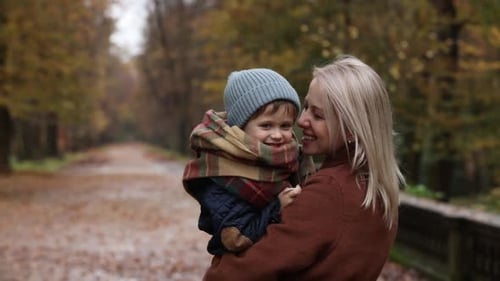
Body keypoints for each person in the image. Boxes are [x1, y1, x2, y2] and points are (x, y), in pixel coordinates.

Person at [203, 55, 406, 281]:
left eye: (318, 115)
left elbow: (227, 276)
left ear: (351, 129)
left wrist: (219, 263)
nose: (301, 121)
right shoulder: (376, 186)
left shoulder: (330, 192)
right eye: (306, 106)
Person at [183, 68, 315, 256]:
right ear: (241, 126)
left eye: (285, 125)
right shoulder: (222, 172)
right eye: (266, 125)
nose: (277, 135)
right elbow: (235, 238)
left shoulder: (292, 157)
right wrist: (277, 208)